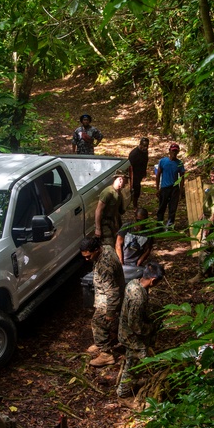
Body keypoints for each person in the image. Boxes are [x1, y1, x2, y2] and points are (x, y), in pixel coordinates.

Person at [116, 262, 165, 399]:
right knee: (133, 366)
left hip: (126, 332)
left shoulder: (133, 283)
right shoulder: (138, 297)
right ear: (153, 280)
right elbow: (136, 326)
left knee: (132, 362)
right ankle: (123, 392)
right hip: (131, 337)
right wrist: (153, 328)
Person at [80, 236, 125, 367]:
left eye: (89, 256)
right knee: (107, 323)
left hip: (109, 298)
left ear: (97, 250)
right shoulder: (106, 249)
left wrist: (110, 312)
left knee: (98, 322)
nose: (87, 259)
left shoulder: (105, 266)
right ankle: (104, 341)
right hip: (104, 295)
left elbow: (112, 291)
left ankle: (106, 354)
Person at [155, 143, 185, 229]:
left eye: (176, 151)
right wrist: (157, 189)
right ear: (169, 151)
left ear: (178, 152)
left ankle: (170, 225)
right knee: (162, 207)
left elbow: (182, 178)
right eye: (173, 151)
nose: (174, 153)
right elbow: (158, 175)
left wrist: (181, 191)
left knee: (172, 208)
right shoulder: (163, 161)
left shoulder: (179, 163)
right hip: (164, 188)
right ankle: (159, 225)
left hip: (174, 188)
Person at [95, 171, 127, 247]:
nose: (126, 184)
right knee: (108, 245)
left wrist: (117, 224)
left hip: (113, 222)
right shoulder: (108, 192)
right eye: (125, 181)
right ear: (120, 179)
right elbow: (98, 210)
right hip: (104, 223)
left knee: (117, 242)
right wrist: (98, 228)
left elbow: (117, 211)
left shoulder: (118, 193)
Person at [127, 137, 150, 209]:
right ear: (140, 145)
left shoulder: (145, 152)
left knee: (136, 189)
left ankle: (134, 203)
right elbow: (130, 167)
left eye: (147, 146)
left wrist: (144, 172)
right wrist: (131, 177)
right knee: (136, 189)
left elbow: (145, 161)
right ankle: (134, 205)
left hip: (140, 173)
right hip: (134, 173)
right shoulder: (134, 154)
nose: (145, 148)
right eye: (144, 146)